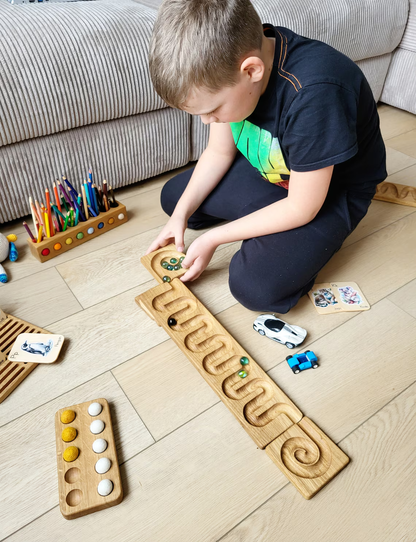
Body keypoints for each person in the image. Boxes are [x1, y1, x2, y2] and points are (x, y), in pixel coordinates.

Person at [146, 0, 387, 314]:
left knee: (255, 287)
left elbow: (302, 206)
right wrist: (179, 215)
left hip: (330, 193)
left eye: (212, 111)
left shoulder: (315, 91)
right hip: (278, 174)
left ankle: (287, 239)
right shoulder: (235, 65)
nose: (207, 121)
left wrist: (214, 238)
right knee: (176, 200)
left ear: (251, 71)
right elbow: (219, 151)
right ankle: (267, 224)